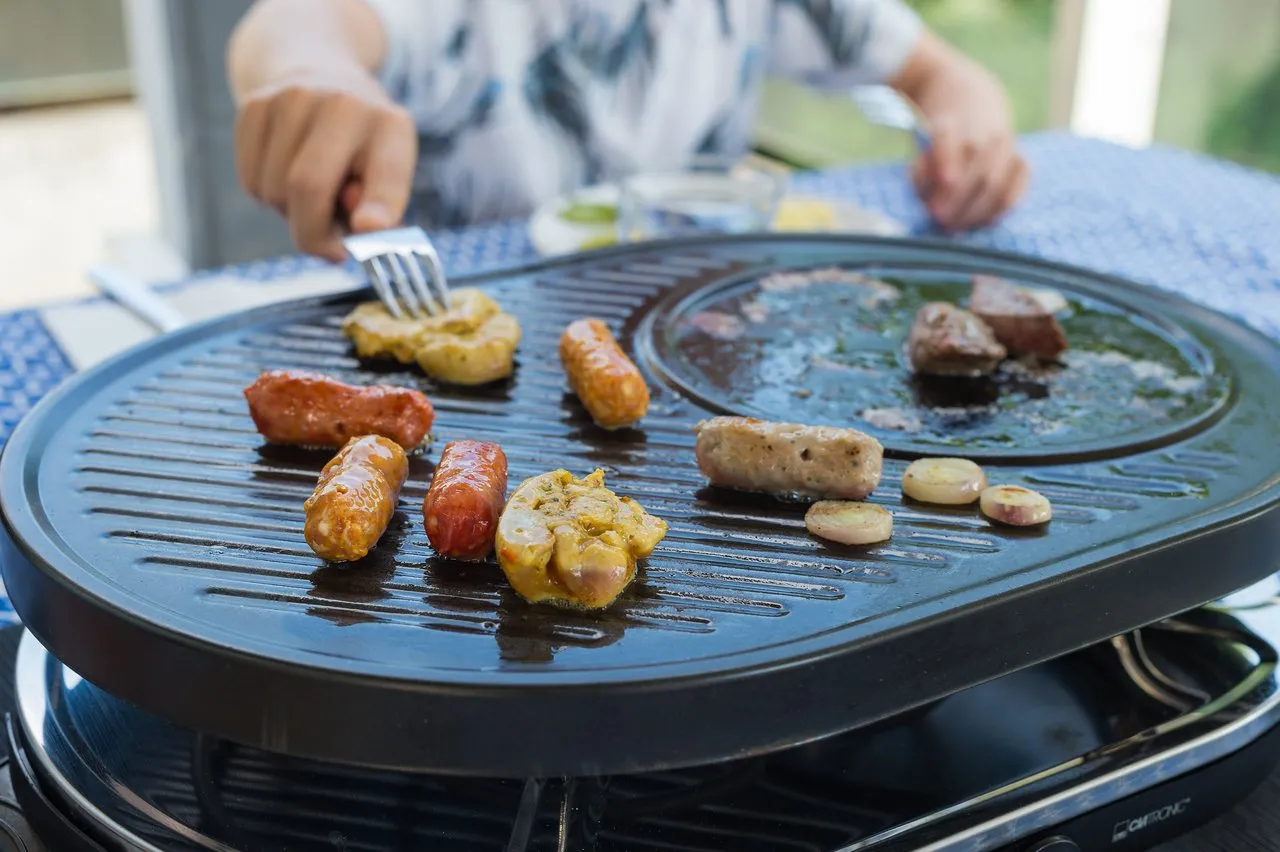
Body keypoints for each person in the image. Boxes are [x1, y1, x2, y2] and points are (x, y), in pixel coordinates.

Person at [228, 0, 1028, 261]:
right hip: (485, 363)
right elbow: (295, 25)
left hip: (708, 338)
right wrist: (316, 76)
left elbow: (937, 71)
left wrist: (972, 117)